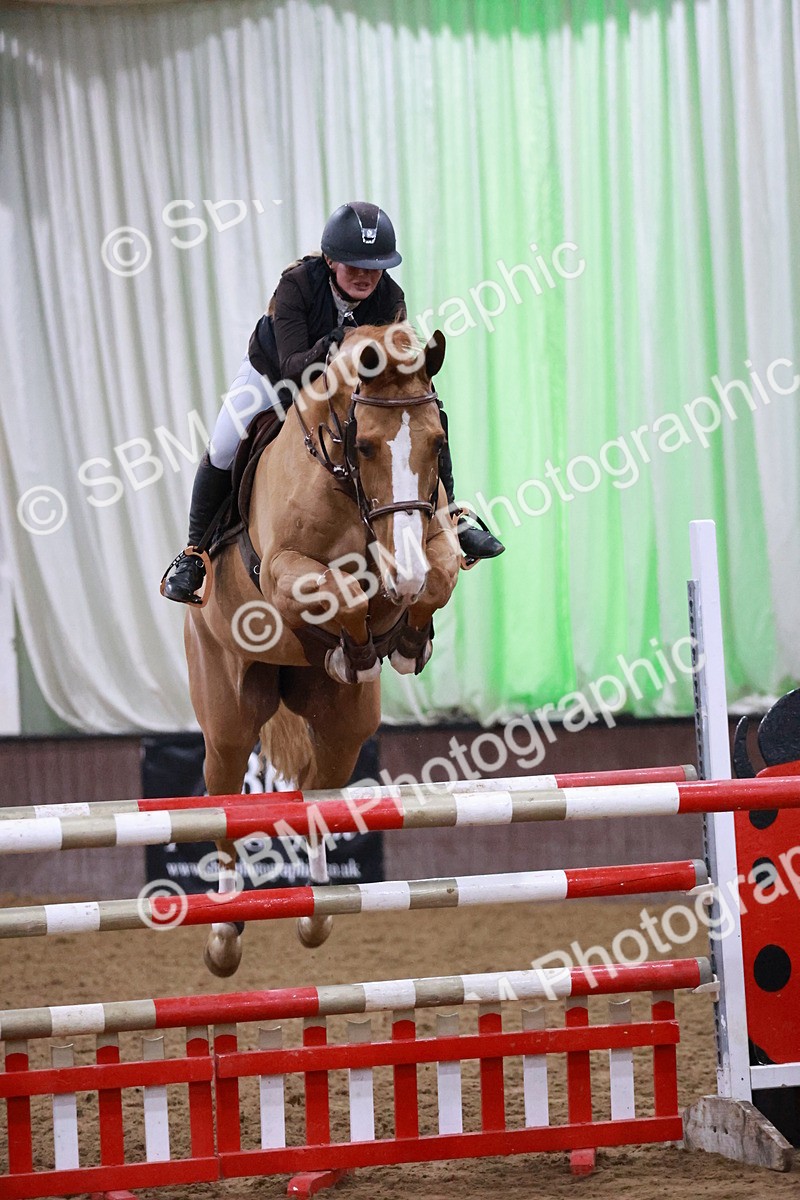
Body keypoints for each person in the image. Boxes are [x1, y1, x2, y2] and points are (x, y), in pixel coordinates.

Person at [162, 201, 504, 604]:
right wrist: (339, 343)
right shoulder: (297, 285)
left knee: (427, 416)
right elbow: (293, 369)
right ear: (330, 260)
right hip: (273, 375)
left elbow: (396, 373)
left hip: (343, 387)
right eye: (353, 266)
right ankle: (193, 555)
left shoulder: (390, 297)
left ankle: (453, 517)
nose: (364, 276)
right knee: (223, 444)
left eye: (374, 266)